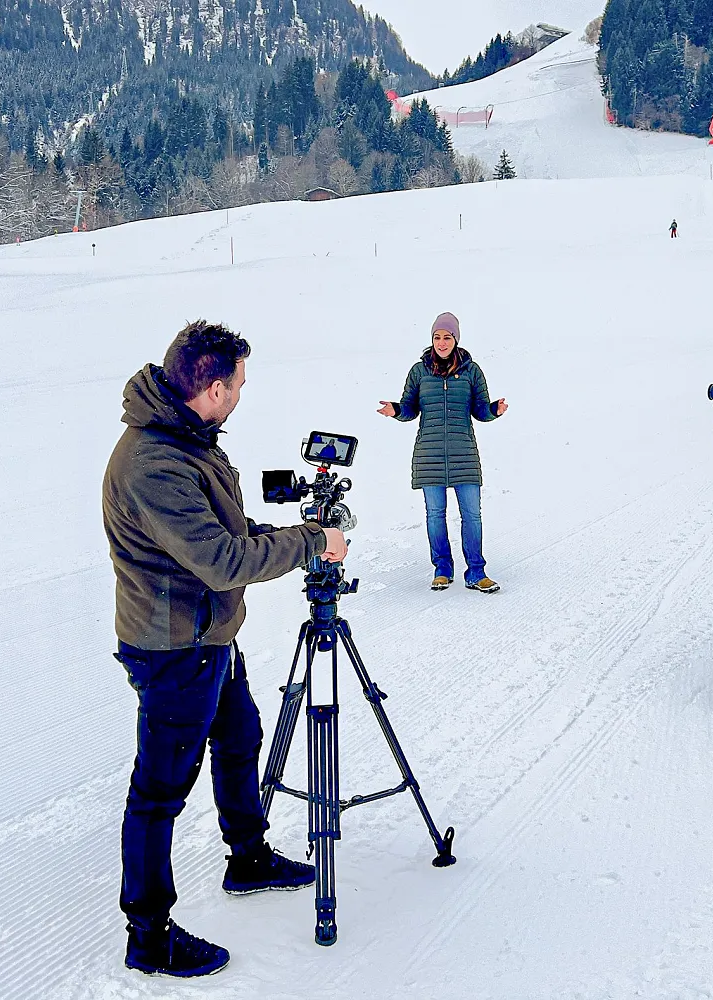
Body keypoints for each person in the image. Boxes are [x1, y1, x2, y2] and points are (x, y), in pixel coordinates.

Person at [103, 320, 349, 978]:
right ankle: (148, 934)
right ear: (211, 389)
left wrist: (298, 531)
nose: (242, 393)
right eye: (237, 384)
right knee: (157, 792)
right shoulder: (155, 462)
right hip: (174, 645)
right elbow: (221, 559)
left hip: (209, 634)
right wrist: (309, 544)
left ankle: (248, 857)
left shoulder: (189, 438)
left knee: (240, 736)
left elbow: (229, 530)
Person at [378, 312, 507, 593]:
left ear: (456, 339)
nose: (441, 342)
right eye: (437, 337)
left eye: (447, 337)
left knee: (472, 514)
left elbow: (480, 410)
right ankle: (442, 569)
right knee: (435, 514)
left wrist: (494, 410)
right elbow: (410, 408)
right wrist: (396, 410)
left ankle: (476, 572)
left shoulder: (472, 371)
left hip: (464, 453)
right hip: (429, 454)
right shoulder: (419, 371)